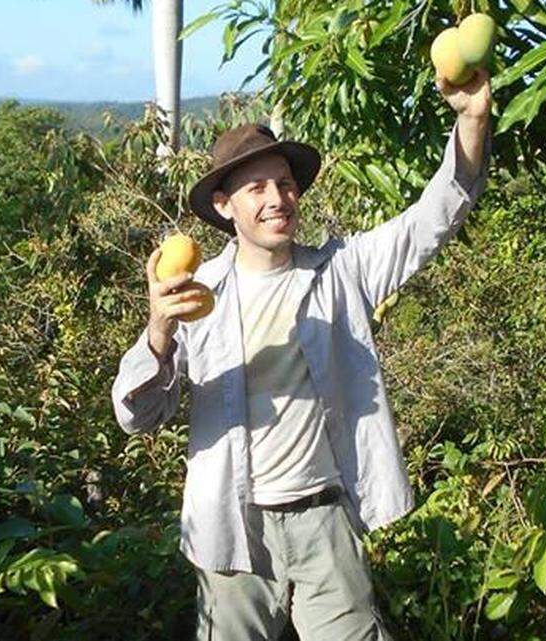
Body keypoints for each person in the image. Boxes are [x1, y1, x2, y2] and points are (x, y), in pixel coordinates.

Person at [111, 70, 493, 640]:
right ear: (224, 205)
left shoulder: (341, 271)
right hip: (233, 527)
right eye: (257, 189)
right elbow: (136, 417)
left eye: (285, 184)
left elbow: (436, 214)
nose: (277, 200)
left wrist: (472, 119)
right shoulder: (195, 295)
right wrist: (159, 330)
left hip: (325, 519)